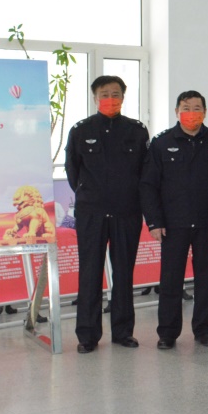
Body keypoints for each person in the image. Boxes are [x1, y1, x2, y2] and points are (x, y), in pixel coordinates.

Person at [141, 91, 208, 349]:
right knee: (170, 279)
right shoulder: (162, 143)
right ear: (176, 111)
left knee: (207, 278)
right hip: (173, 223)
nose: (191, 113)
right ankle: (167, 333)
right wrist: (154, 221)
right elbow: (149, 185)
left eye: (197, 108)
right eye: (186, 108)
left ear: (205, 112)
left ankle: (204, 330)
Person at [63, 76, 149, 354]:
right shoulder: (81, 130)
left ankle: (123, 332)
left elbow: (145, 171)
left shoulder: (137, 130)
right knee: (90, 272)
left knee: (124, 272)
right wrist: (91, 194)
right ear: (94, 98)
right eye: (104, 94)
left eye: (115, 94)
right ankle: (87, 335)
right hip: (92, 212)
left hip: (127, 211)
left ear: (123, 97)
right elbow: (72, 171)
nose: (110, 99)